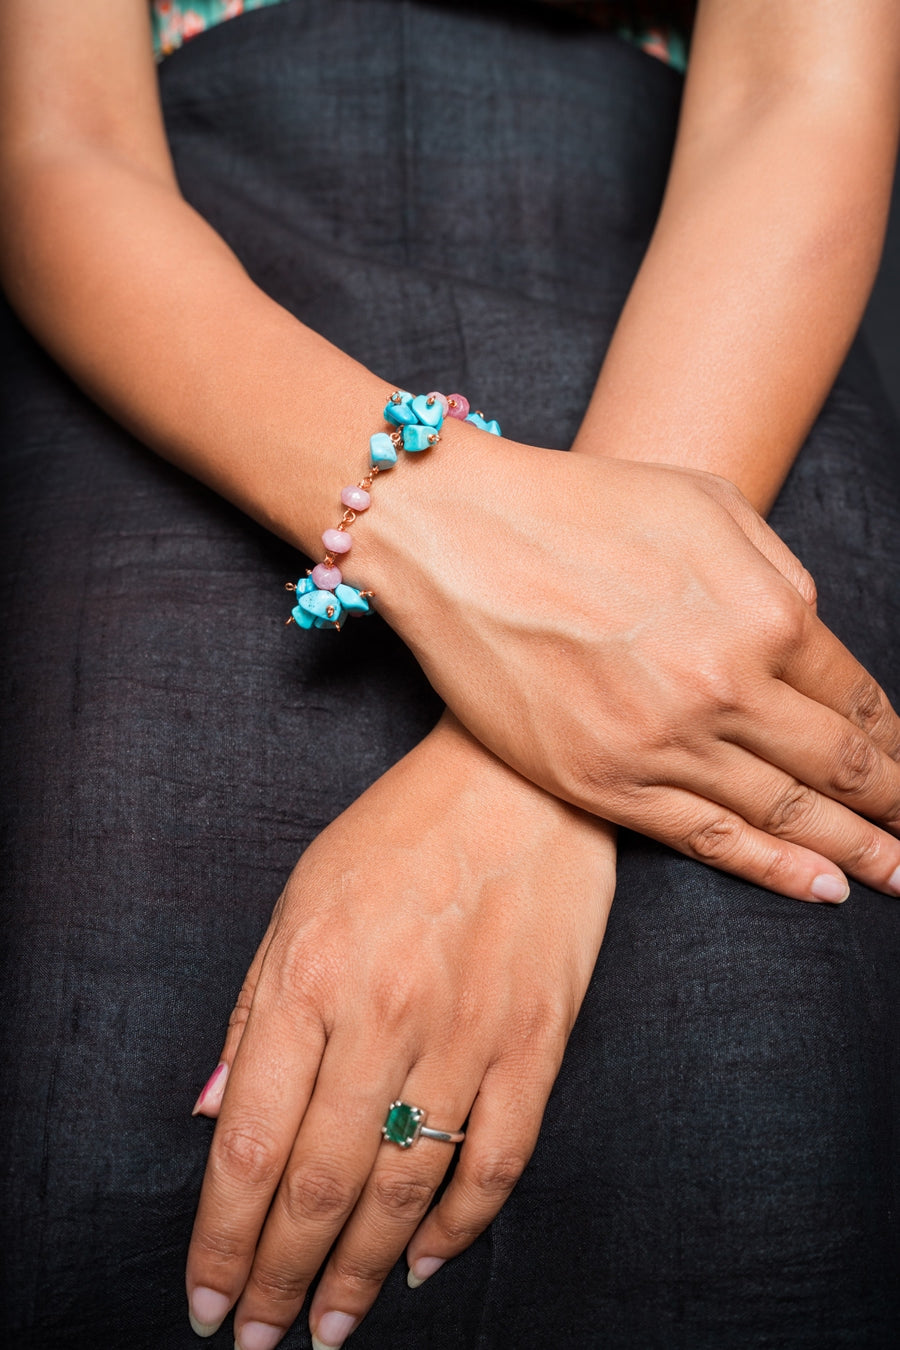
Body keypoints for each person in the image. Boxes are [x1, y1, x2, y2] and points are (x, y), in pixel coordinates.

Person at [1, 1, 899, 1347]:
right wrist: (419, 506)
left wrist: (523, 781)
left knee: (765, 1114)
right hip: (189, 305)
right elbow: (58, 140)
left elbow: (797, 95)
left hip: (704, 318)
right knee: (92, 1097)